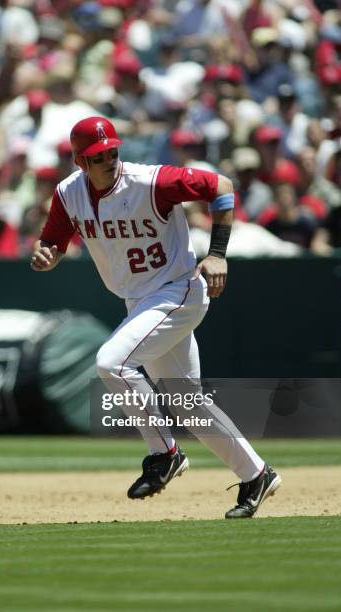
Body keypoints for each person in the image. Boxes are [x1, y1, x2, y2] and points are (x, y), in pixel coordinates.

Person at [31, 116, 281, 519]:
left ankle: (164, 453)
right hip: (139, 302)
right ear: (80, 161)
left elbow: (221, 188)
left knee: (111, 362)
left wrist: (216, 253)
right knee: (188, 404)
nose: (110, 159)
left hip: (177, 289)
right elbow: (53, 242)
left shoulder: (151, 181)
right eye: (98, 156)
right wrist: (46, 254)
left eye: (113, 151)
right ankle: (256, 475)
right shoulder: (68, 194)